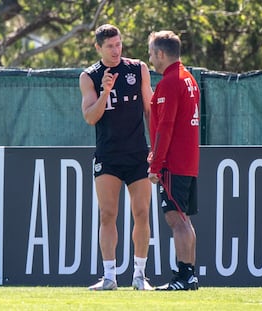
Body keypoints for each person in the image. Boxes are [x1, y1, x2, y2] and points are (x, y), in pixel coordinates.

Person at [79, 24, 154, 290]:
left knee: (142, 212)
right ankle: (109, 276)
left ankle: (139, 275)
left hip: (137, 154)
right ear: (98, 47)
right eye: (110, 46)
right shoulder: (89, 76)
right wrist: (105, 91)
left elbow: (150, 109)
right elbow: (90, 117)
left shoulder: (138, 68)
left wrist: (155, 147)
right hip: (108, 155)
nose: (116, 50)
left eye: (119, 44)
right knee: (107, 214)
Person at [147, 30, 200, 290]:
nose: (150, 59)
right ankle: (189, 275)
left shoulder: (169, 82)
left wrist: (156, 164)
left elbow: (165, 127)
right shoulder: (189, 78)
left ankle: (183, 276)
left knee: (175, 219)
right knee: (184, 219)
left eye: (151, 53)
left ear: (160, 53)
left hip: (173, 163)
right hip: (188, 161)